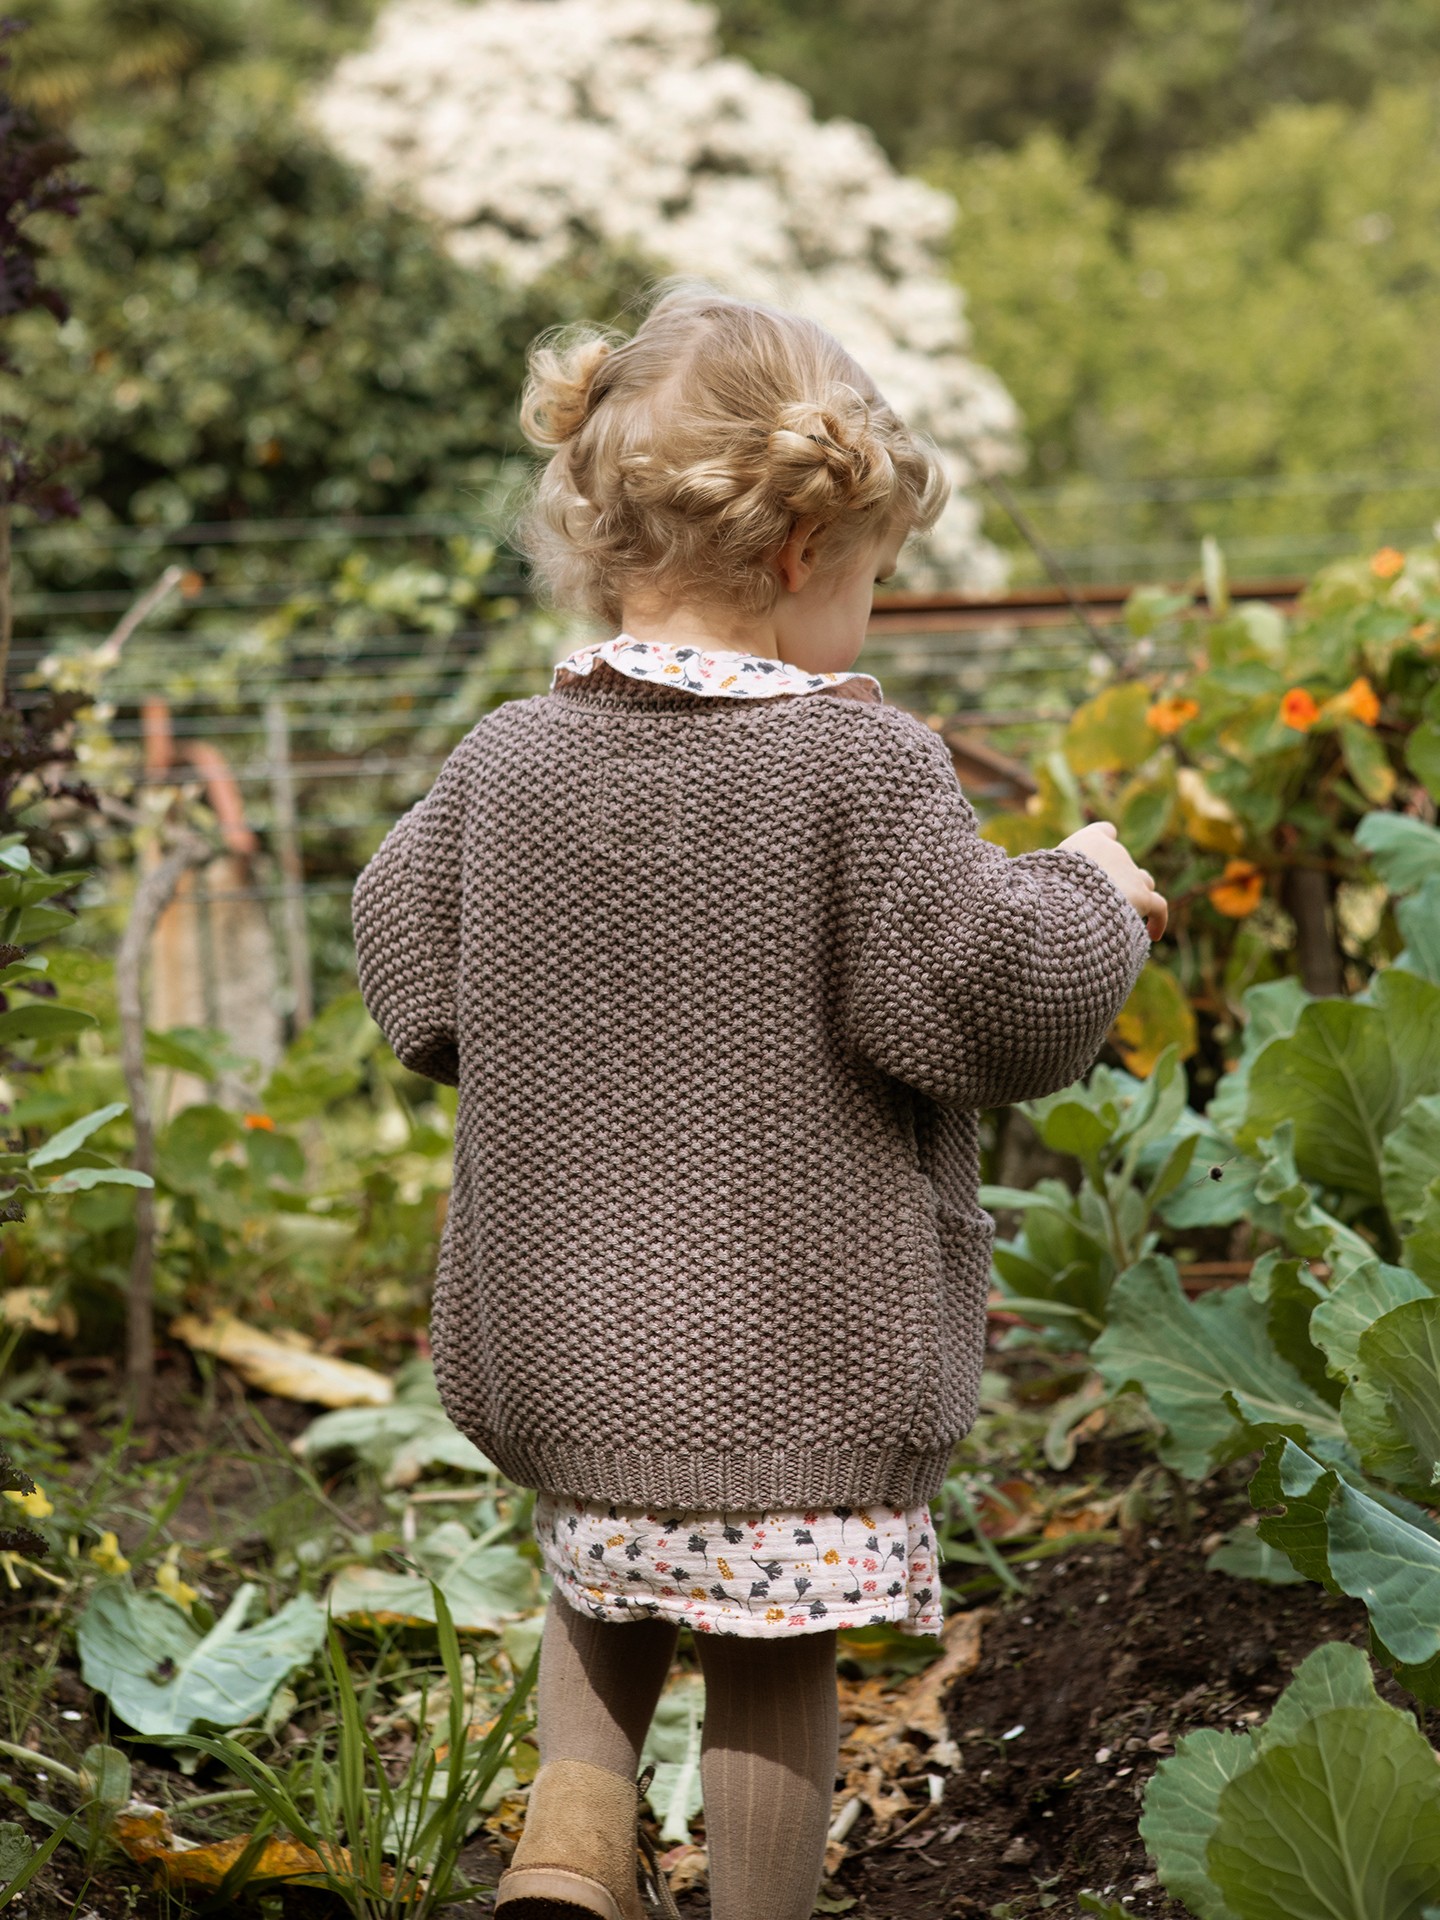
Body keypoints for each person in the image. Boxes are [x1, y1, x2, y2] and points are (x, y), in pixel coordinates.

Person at [350, 281, 1166, 1920]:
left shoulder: (505, 759)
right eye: (868, 578)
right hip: (791, 1353)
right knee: (768, 1645)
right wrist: (1089, 895)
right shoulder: (856, 769)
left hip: (565, 1338)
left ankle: (566, 1869)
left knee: (609, 1576)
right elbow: (983, 1001)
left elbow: (409, 962)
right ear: (804, 555)